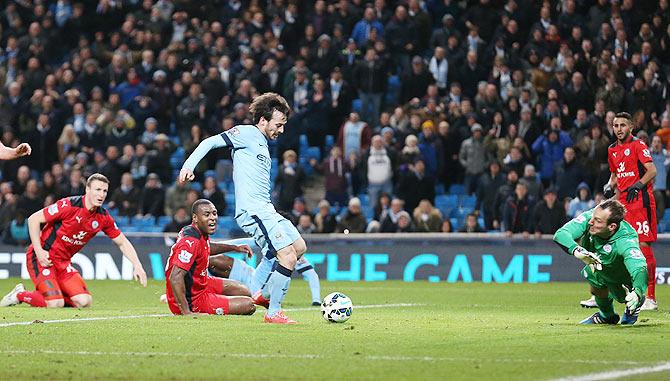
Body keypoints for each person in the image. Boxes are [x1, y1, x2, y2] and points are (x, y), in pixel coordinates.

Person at [179, 93, 306, 324]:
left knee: (298, 247)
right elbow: (210, 142)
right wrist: (189, 165)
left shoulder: (264, 144)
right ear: (263, 121)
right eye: (278, 125)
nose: (281, 130)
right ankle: (273, 311)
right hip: (253, 210)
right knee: (286, 256)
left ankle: (262, 294)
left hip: (266, 209)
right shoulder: (246, 133)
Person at [1, 174, 147, 308]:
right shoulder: (69, 205)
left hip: (63, 263)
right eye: (97, 189)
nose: (101, 195)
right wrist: (39, 251)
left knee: (84, 301)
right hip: (42, 257)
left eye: (104, 191)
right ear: (87, 189)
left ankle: (53, 294)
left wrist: (137, 265)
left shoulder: (103, 217)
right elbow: (33, 219)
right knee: (55, 303)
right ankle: (19, 294)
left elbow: (122, 242)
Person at [597, 112, 658, 311]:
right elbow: (615, 174)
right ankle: (608, 291)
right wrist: (609, 185)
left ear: (631, 127)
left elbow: (652, 171)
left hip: (641, 203)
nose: (619, 129)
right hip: (623, 206)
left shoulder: (638, 145)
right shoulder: (612, 149)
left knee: (643, 247)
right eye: (615, 125)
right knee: (618, 247)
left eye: (623, 125)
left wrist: (638, 185)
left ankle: (650, 297)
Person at [553, 200, 648, 325]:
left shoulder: (625, 240)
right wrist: (577, 250)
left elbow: (639, 268)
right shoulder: (590, 218)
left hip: (621, 277)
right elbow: (561, 234)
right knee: (595, 285)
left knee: (628, 300)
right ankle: (607, 316)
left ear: (612, 227)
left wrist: (637, 292)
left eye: (598, 221)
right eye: (593, 217)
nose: (591, 222)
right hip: (600, 267)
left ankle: (635, 303)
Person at [165, 199, 256, 316]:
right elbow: (175, 277)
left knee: (244, 290)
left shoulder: (195, 232)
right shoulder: (190, 242)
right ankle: (199, 306)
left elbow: (207, 247)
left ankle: (217, 301)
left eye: (214, 213)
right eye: (207, 214)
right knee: (248, 305)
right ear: (195, 218)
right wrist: (187, 312)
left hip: (201, 283)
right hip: (193, 299)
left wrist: (234, 248)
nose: (213, 217)